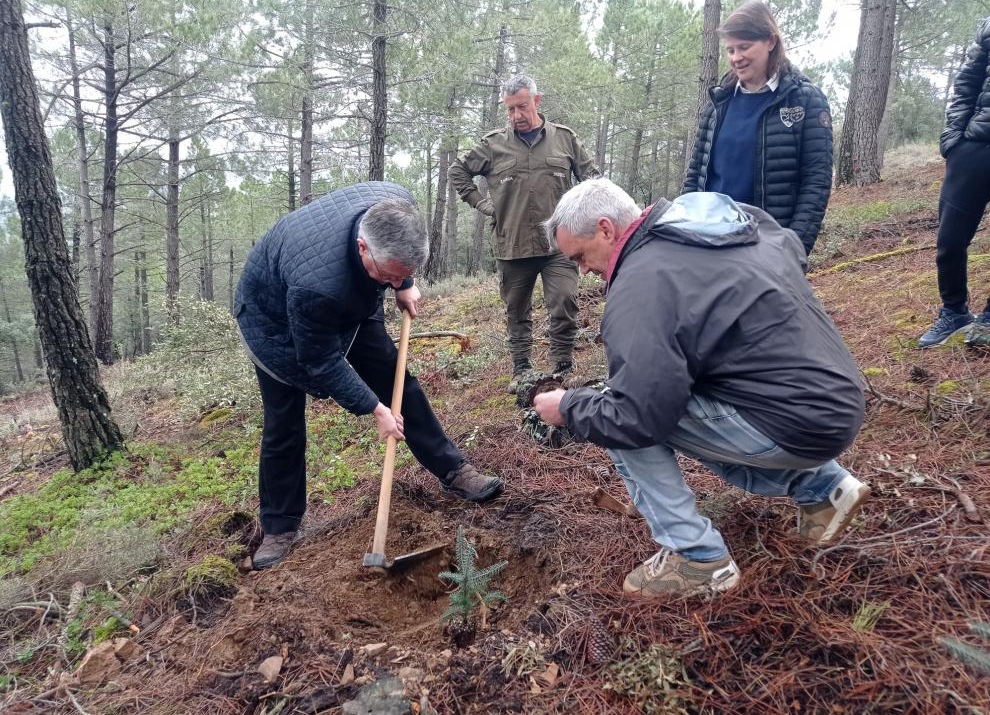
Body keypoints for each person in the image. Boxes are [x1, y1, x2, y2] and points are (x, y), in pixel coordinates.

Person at [533, 179, 870, 599]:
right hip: (836, 400)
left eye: (580, 257)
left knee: (611, 413)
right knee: (652, 398)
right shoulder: (719, 225)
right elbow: (789, 252)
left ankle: (696, 558)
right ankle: (823, 489)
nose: (582, 270)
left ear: (606, 228)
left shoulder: (642, 284)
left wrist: (569, 405)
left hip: (793, 423)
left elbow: (635, 417)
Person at [235, 182, 503, 570]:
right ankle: (280, 526)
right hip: (273, 324)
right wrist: (376, 409)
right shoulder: (319, 289)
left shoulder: (397, 204)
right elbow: (321, 361)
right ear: (363, 247)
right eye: (389, 276)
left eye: (403, 274)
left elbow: (393, 266)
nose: (394, 283)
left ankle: (454, 470)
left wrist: (404, 283)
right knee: (284, 424)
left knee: (398, 380)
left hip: (347, 297)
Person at [449, 74, 601, 391]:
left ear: (536, 101)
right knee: (516, 311)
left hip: (559, 245)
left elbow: (593, 180)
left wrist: (583, 217)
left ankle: (563, 367)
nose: (516, 115)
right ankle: (522, 370)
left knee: (564, 302)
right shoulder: (493, 145)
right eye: (510, 109)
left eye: (521, 107)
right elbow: (458, 171)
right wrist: (481, 203)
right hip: (513, 244)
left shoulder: (564, 139)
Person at [683, 0, 833, 255]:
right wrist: (685, 230)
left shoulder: (805, 100)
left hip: (768, 248)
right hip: (710, 243)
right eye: (730, 50)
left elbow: (816, 182)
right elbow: (695, 174)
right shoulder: (718, 103)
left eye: (744, 47)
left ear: (771, 41)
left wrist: (793, 248)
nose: (736, 58)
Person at [917, 16, 990, 348]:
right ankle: (954, 312)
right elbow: (967, 82)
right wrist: (954, 140)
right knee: (950, 238)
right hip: (973, 146)